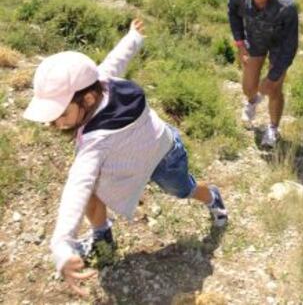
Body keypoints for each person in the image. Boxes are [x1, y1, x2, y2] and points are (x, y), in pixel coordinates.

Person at [23, 18, 228, 296]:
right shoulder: (99, 84)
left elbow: (75, 186)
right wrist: (132, 37)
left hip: (163, 155)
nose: (55, 123)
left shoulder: (95, 142)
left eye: (61, 114)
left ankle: (213, 198)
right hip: (126, 162)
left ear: (88, 99)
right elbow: (115, 60)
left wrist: (61, 241)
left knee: (182, 190)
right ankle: (102, 237)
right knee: (92, 191)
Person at [228, 0, 299, 147]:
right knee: (248, 87)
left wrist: (273, 77)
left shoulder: (287, 6)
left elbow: (290, 46)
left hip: (279, 46)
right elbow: (233, 14)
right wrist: (240, 44)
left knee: (274, 89)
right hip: (255, 42)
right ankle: (252, 101)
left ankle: (273, 129)